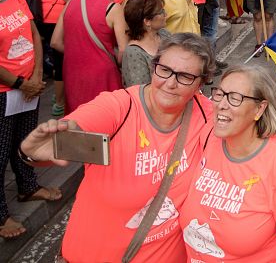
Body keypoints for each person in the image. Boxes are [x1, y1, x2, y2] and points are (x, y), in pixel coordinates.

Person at [20, 34, 215, 261]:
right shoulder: (120, 107)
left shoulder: (206, 115)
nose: (170, 83)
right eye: (164, 70)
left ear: (201, 83)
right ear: (153, 68)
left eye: (185, 77)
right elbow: (68, 138)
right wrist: (34, 152)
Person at [180, 66, 276, 262]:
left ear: (260, 108)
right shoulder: (209, 135)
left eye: (235, 97)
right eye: (220, 94)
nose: (222, 104)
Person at [0, 0, 61, 239]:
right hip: (6, 91)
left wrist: (36, 75)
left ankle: (28, 187)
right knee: (0, 152)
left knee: (25, 141)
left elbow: (34, 33)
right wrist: (19, 83)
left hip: (30, 85)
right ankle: (1, 216)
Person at [51, 0, 127, 114]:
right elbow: (123, 49)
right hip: (102, 73)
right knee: (105, 116)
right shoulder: (113, 8)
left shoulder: (70, 3)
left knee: (78, 118)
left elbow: (55, 42)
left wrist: (79, 53)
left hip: (73, 70)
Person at [35, 0, 75, 116]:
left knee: (54, 59)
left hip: (42, 17)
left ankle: (56, 96)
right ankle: (59, 103)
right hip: (57, 20)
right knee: (62, 63)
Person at [122, 0, 168, 87]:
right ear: (147, 21)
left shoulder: (164, 34)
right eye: (161, 11)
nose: (166, 14)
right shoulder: (133, 53)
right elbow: (140, 91)